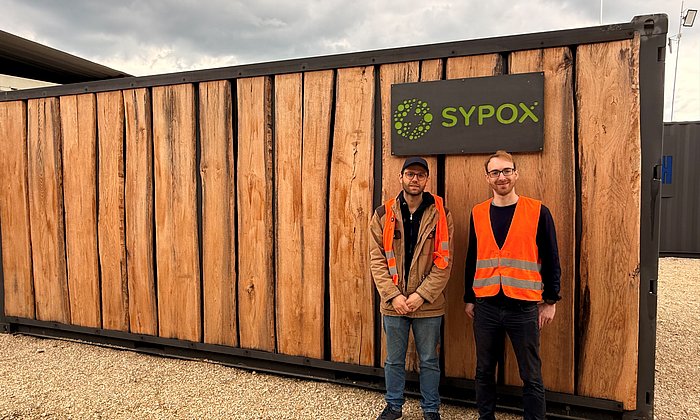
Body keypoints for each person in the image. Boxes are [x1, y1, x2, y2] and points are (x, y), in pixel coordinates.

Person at [463, 150, 561, 420]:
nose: (501, 177)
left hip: (524, 307)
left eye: (506, 171)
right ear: (487, 178)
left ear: (516, 174)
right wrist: (469, 297)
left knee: (531, 374)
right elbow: (473, 257)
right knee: (484, 370)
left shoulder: (538, 211)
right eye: (495, 172)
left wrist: (551, 301)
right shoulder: (478, 212)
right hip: (486, 305)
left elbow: (551, 257)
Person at [369, 157, 455, 420]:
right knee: (394, 360)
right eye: (410, 174)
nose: (415, 179)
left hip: (428, 304)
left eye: (420, 175)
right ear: (401, 177)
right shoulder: (383, 214)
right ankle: (394, 406)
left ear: (427, 179)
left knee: (429, 360)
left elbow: (444, 260)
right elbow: (376, 259)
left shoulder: (441, 214)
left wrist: (421, 295)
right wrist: (393, 296)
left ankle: (431, 409)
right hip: (393, 303)